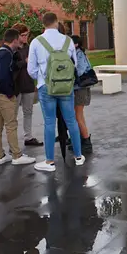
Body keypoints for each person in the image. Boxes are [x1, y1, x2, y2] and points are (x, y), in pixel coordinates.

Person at [28, 12, 85, 172]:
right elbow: (74, 65)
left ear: (43, 24)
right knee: (71, 120)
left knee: (49, 122)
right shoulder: (68, 40)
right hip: (66, 87)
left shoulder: (36, 42)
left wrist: (42, 79)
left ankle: (49, 161)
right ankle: (79, 156)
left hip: (46, 87)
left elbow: (31, 69)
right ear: (56, 22)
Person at [0, 29, 36, 166]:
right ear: (15, 40)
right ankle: (16, 155)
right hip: (4, 94)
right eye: (19, 38)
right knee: (11, 124)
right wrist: (10, 93)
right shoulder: (6, 54)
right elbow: (4, 76)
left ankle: (0, 155)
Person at [11, 23, 43, 147]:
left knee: (28, 112)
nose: (25, 38)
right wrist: (24, 63)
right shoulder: (12, 48)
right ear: (17, 36)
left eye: (26, 35)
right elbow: (13, 66)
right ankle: (12, 142)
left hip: (28, 84)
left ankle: (28, 136)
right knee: (13, 115)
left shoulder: (29, 47)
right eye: (23, 35)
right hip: (16, 86)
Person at [71, 35, 93, 154]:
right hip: (80, 88)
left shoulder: (78, 54)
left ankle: (86, 141)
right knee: (79, 115)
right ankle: (82, 139)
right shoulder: (80, 53)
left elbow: (79, 70)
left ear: (75, 44)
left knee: (78, 116)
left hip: (80, 88)